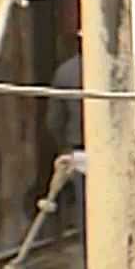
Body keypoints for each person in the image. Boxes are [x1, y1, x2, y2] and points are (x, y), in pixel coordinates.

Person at [45, 36, 86, 245]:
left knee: (87, 216)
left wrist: (64, 148)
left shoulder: (65, 72)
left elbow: (54, 121)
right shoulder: (122, 69)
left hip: (79, 151)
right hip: (118, 146)